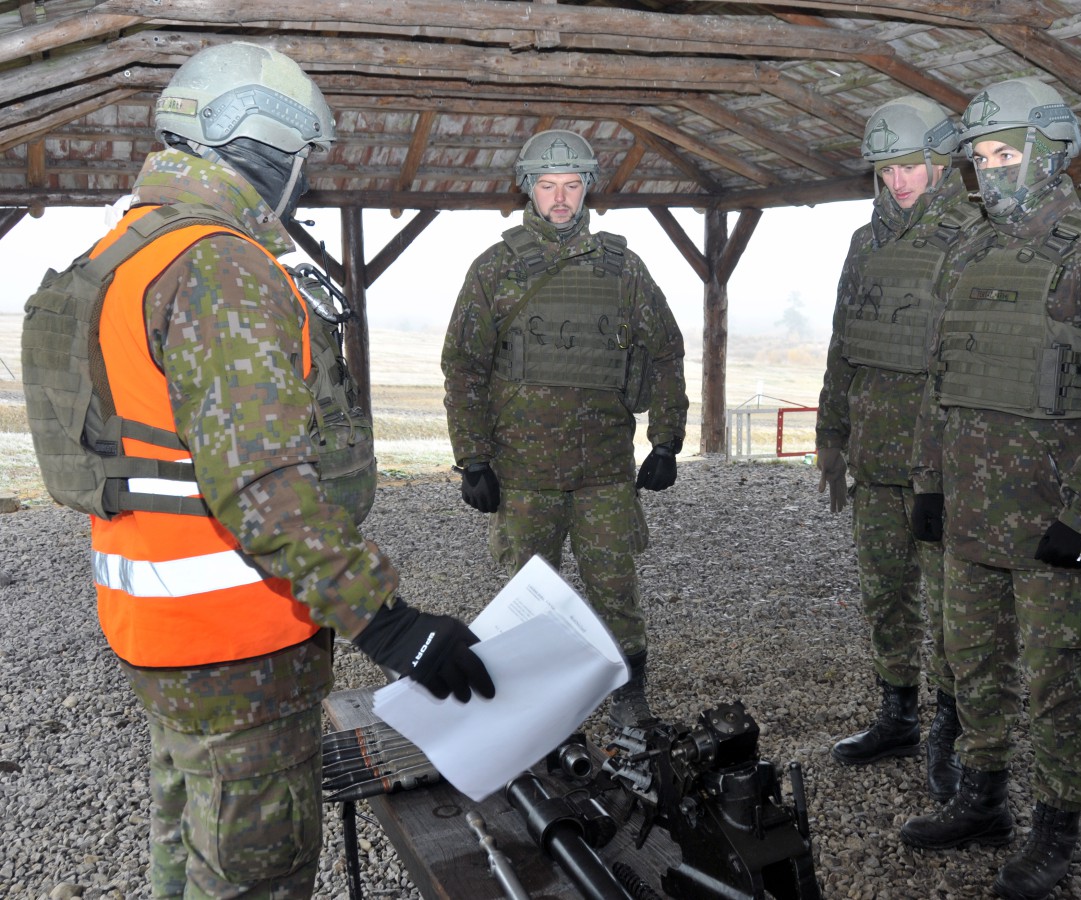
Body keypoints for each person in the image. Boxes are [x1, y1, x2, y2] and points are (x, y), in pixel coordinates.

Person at [26, 42, 496, 897]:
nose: (302, 182)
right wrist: (389, 624)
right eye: (302, 160)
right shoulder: (218, 264)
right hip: (236, 644)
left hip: (160, 635)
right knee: (254, 875)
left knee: (187, 845)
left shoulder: (130, 249)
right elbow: (262, 486)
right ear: (266, 146)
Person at [900, 77, 1081, 900]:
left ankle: (1057, 824)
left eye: (1003, 154)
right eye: (978, 158)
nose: (987, 171)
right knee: (972, 664)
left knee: (1054, 680)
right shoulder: (967, 251)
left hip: (1053, 519)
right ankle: (981, 799)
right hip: (971, 512)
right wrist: (929, 483)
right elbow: (939, 381)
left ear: (1049, 153)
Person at [441, 128, 688, 728]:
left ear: (587, 189)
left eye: (571, 185)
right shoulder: (495, 269)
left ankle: (629, 697)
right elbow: (464, 366)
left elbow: (666, 353)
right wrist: (473, 458)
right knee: (528, 597)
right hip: (524, 472)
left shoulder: (624, 270)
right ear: (527, 188)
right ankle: (533, 709)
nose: (559, 198)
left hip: (604, 470)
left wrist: (666, 440)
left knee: (615, 589)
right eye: (547, 185)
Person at [814, 96, 985, 801]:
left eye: (911, 164)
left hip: (940, 462)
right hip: (875, 454)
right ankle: (897, 714)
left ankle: (951, 729)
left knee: (951, 607)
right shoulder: (865, 242)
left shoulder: (975, 235)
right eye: (887, 168)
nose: (900, 180)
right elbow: (843, 345)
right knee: (884, 591)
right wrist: (831, 436)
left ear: (942, 162)